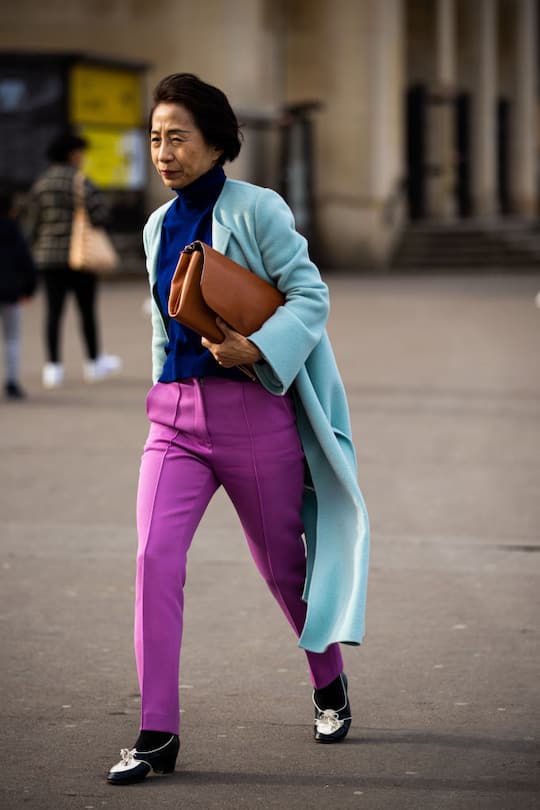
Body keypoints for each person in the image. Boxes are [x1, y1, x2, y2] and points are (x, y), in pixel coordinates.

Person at [107, 73, 369, 785]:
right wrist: (160, 393)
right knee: (154, 559)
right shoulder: (157, 225)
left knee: (283, 569)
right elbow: (164, 326)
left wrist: (258, 348)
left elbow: (309, 293)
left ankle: (329, 680)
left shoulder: (258, 209)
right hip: (174, 420)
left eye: (178, 138)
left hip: (252, 414)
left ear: (218, 142)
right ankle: (157, 731)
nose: (164, 152)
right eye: (155, 139)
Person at [25, 132, 121, 388]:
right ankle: (93, 363)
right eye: (80, 153)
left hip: (49, 259)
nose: (82, 157)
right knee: (86, 310)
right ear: (72, 154)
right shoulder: (81, 182)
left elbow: (32, 224)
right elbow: (101, 214)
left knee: (53, 312)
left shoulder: (41, 184)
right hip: (81, 256)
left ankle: (53, 368)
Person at [0, 186, 37, 399]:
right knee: (12, 338)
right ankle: (12, 382)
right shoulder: (14, 230)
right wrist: (29, 288)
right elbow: (25, 261)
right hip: (10, 292)